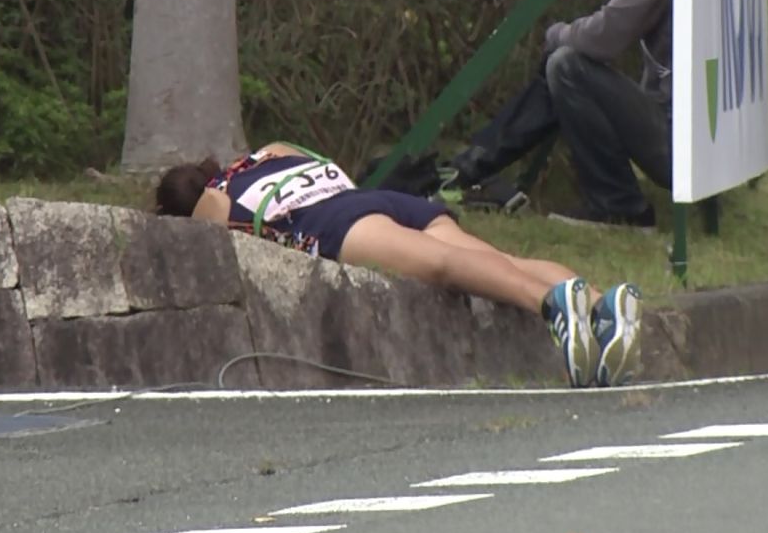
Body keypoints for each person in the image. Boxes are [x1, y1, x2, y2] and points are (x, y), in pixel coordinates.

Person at [154, 140, 644, 389]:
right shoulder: (270, 153)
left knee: (445, 264)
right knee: (496, 257)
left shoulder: (214, 201)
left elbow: (204, 229)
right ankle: (600, 306)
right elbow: (321, 162)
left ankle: (553, 306)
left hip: (337, 222)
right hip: (378, 197)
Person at [443, 0, 673, 232]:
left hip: (675, 140)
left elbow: (603, 37)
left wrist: (557, 33)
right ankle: (468, 167)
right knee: (564, 64)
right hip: (683, 135)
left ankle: (620, 206)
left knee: (566, 64)